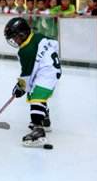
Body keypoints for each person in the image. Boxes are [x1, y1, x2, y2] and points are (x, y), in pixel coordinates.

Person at [4, 17, 61, 147]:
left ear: (23, 34)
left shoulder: (26, 51)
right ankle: (44, 120)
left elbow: (26, 75)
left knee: (35, 97)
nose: (14, 40)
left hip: (47, 73)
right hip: (49, 69)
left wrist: (19, 87)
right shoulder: (37, 36)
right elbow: (54, 43)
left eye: (15, 37)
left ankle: (38, 130)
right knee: (35, 93)